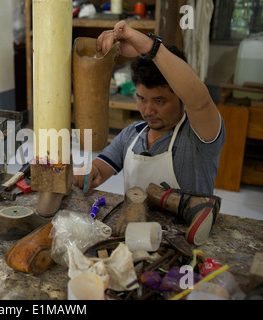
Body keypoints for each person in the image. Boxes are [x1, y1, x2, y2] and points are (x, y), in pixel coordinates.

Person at [73, 21, 225, 245]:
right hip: (135, 239)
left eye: (159, 101)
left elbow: (199, 99)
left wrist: (148, 46)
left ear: (180, 96)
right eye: (141, 99)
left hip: (183, 244)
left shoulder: (199, 137)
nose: (148, 110)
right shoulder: (132, 134)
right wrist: (84, 171)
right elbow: (98, 170)